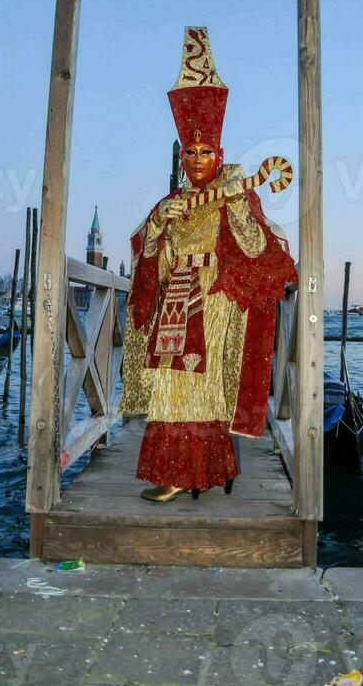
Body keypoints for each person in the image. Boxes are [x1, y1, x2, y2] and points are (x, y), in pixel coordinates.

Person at [119, 26, 297, 502]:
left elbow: (258, 248)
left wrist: (238, 203)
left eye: (205, 152)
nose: (197, 160)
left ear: (218, 155)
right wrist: (159, 221)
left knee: (197, 389)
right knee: (166, 387)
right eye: (190, 153)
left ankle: (193, 472)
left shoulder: (232, 196)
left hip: (212, 302)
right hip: (173, 300)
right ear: (183, 160)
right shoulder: (172, 203)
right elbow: (146, 256)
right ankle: (188, 470)